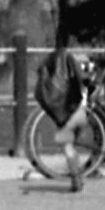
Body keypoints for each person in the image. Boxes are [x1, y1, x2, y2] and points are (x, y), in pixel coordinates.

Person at [32, 33, 89, 191]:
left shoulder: (48, 61)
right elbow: (81, 79)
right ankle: (80, 171)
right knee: (74, 142)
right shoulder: (72, 58)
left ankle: (76, 177)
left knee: (67, 146)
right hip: (78, 108)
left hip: (63, 113)